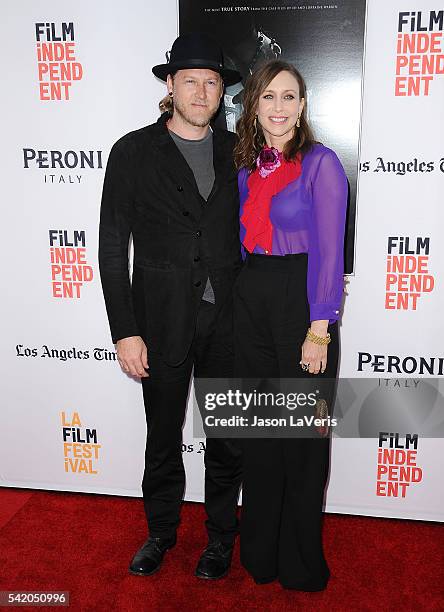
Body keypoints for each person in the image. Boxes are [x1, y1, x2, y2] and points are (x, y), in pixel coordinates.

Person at [98, 33, 243, 580]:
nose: (202, 91)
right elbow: (113, 247)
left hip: (229, 320)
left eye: (211, 82)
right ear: (170, 85)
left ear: (220, 91)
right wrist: (124, 331)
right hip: (158, 320)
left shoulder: (240, 152)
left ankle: (221, 538)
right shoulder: (132, 152)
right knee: (162, 436)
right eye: (190, 81)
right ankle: (160, 532)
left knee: (228, 438)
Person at [233, 60, 348, 591]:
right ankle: (260, 555)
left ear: (302, 107)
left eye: (289, 97)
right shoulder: (246, 171)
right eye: (268, 97)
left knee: (301, 441)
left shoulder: (322, 165)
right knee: (260, 438)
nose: (278, 108)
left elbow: (329, 252)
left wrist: (320, 328)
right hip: (251, 304)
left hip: (303, 308)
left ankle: (300, 564)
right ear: (253, 106)